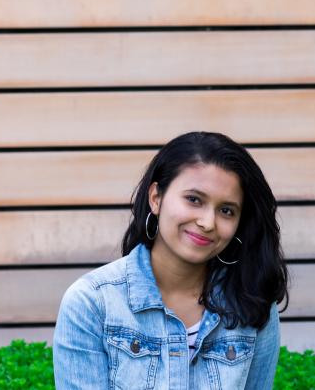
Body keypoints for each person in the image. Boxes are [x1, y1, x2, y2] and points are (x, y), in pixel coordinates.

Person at [53, 131, 289, 389]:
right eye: (194, 199)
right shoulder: (92, 303)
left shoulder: (252, 304)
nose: (207, 222)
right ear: (156, 198)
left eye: (226, 210)